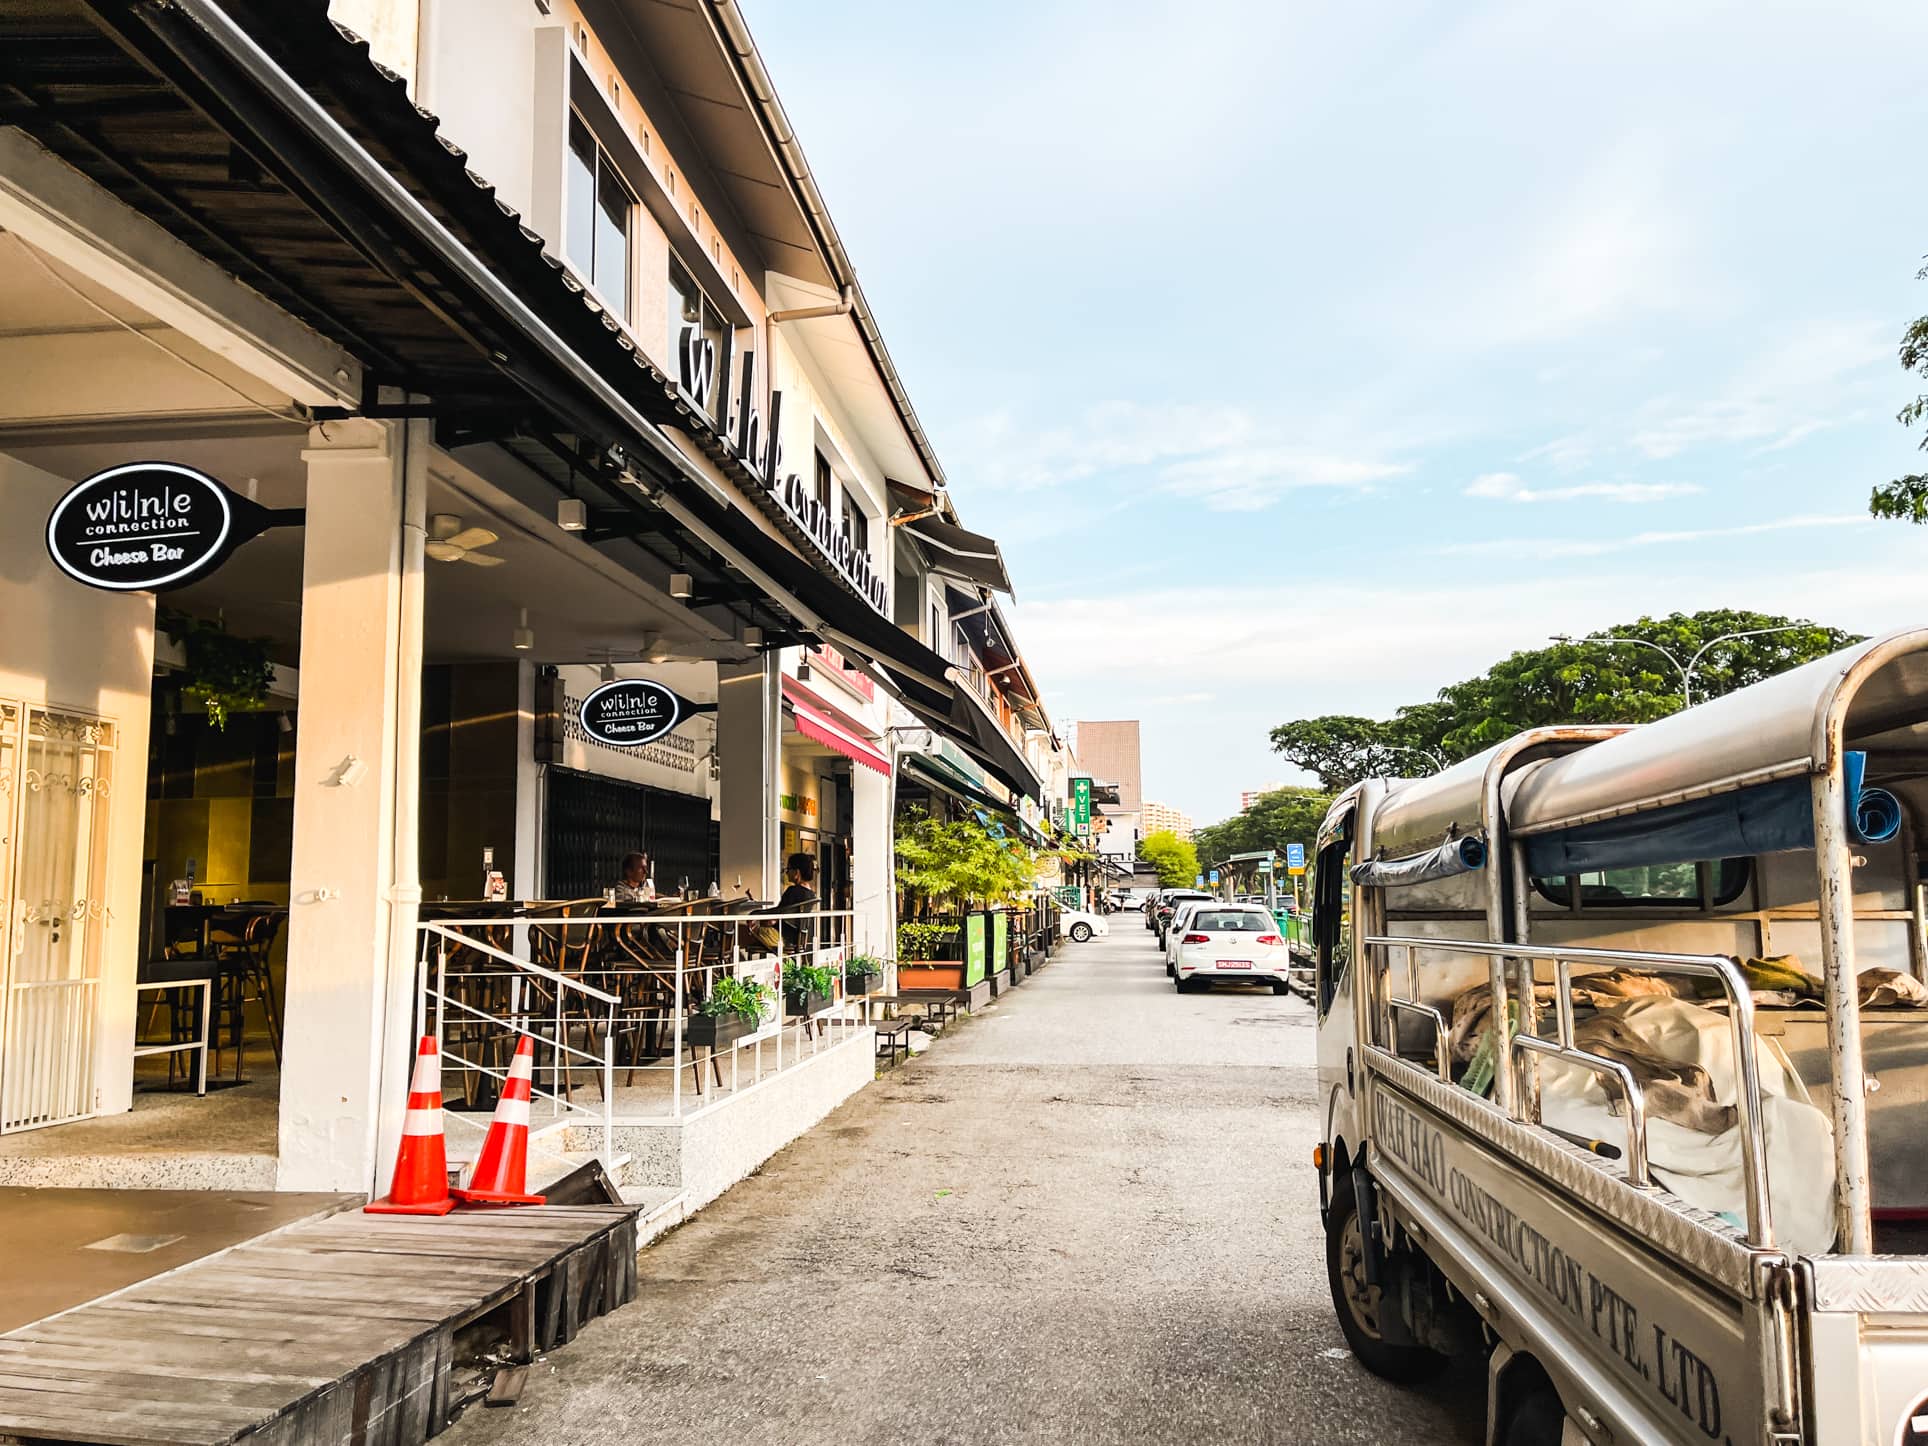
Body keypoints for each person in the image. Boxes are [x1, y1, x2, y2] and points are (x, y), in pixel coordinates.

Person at [777, 852, 818, 954]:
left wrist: (757, 915)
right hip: (799, 937)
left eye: (788, 869)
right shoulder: (811, 894)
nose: (786, 873)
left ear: (797, 873)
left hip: (782, 936)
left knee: (742, 931)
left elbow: (776, 915)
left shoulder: (793, 891)